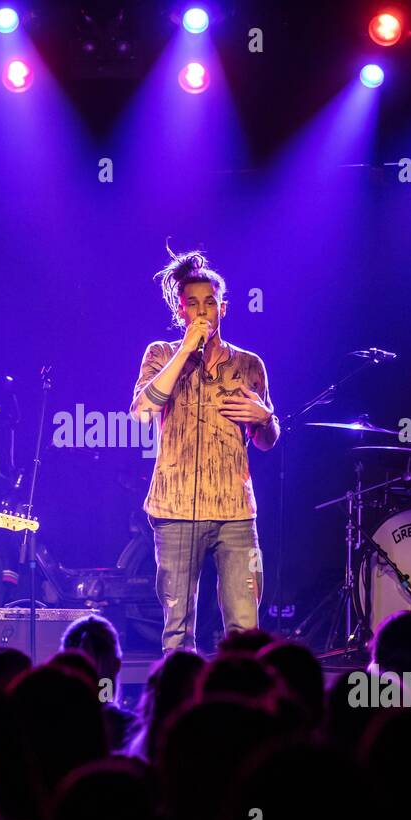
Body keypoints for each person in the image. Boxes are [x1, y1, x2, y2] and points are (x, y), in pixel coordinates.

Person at [129, 249, 278, 652]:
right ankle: (177, 706)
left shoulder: (250, 365)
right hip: (174, 509)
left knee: (245, 626)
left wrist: (264, 418)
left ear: (223, 308)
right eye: (191, 304)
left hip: (236, 512)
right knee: (177, 630)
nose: (201, 311)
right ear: (180, 311)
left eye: (209, 303)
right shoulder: (160, 354)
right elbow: (143, 411)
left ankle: (247, 706)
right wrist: (185, 350)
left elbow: (267, 440)